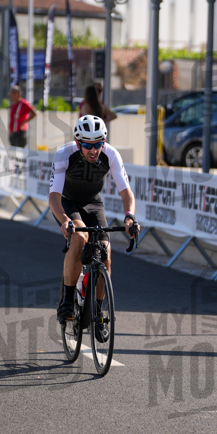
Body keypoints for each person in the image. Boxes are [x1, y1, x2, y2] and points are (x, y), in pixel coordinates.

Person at [49, 114, 139, 324]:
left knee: (105, 254)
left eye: (98, 144)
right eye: (88, 145)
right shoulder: (64, 154)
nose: (93, 150)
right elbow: (53, 196)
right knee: (80, 238)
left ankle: (98, 313)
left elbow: (126, 192)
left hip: (93, 203)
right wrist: (64, 220)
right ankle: (68, 301)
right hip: (68, 203)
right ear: (78, 143)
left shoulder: (111, 155)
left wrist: (129, 217)